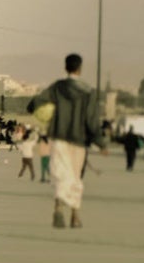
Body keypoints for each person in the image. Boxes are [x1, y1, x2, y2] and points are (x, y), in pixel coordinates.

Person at [26, 53, 107, 228]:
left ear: (66, 67)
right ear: (79, 68)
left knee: (62, 175)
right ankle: (75, 215)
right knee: (76, 176)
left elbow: (37, 101)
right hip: (79, 140)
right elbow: (92, 120)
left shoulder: (57, 87)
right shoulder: (88, 92)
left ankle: (58, 208)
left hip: (60, 138)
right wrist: (100, 143)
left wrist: (32, 108)